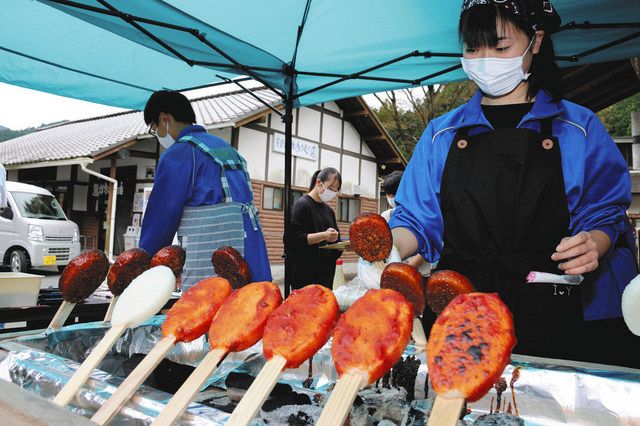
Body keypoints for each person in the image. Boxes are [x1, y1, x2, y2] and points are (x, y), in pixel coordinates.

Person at [389, 0, 639, 366]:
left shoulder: (577, 127)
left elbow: (604, 211)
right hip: (459, 306)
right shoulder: (441, 132)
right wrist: (387, 249)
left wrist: (595, 244)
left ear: (535, 41)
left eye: (501, 47)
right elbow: (416, 220)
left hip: (549, 304)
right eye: (473, 48)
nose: (485, 59)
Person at [139, 90, 271, 290]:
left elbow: (161, 218)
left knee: (209, 313)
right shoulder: (227, 149)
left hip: (212, 263)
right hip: (253, 257)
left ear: (163, 119)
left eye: (154, 128)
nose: (157, 134)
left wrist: (144, 262)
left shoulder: (180, 154)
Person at [285, 167, 343, 289]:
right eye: (330, 188)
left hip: (326, 277)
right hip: (304, 277)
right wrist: (324, 235)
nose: (332, 193)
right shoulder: (302, 205)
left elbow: (336, 242)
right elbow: (294, 239)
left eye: (335, 190)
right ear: (318, 182)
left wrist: (342, 246)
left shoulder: (329, 211)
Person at [382, 171, 431, 276]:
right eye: (387, 194)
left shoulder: (423, 215)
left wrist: (408, 269)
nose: (390, 197)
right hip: (395, 275)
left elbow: (430, 246)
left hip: (421, 275)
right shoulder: (385, 217)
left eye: (394, 193)